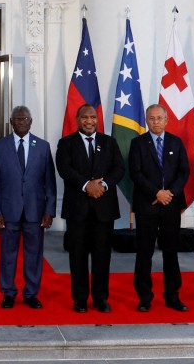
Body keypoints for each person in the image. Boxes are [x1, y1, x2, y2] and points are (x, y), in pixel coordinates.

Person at [56, 103, 126, 314]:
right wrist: (87, 186)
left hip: (103, 209)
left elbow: (119, 168)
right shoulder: (66, 143)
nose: (89, 121)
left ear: (97, 119)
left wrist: (103, 186)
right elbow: (64, 169)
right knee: (77, 256)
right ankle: (80, 299)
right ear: (78, 120)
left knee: (102, 256)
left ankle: (101, 298)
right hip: (77, 209)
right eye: (85, 117)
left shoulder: (109, 142)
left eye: (93, 117)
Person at [0, 106, 56, 309]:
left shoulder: (43, 147)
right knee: (8, 254)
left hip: (35, 211)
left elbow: (50, 183)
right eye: (17, 119)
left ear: (31, 121)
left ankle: (31, 293)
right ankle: (8, 292)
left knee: (34, 254)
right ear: (11, 122)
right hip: (8, 211)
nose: (21, 122)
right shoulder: (0, 147)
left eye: (24, 118)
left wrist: (49, 210)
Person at [127, 103, 190, 312]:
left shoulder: (176, 142)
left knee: (170, 252)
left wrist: (169, 193)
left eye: (159, 118)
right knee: (144, 252)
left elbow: (184, 172)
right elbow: (135, 173)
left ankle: (172, 296)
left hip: (171, 205)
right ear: (147, 121)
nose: (155, 122)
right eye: (151, 118)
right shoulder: (138, 143)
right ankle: (144, 297)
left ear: (166, 120)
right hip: (147, 205)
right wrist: (156, 193)